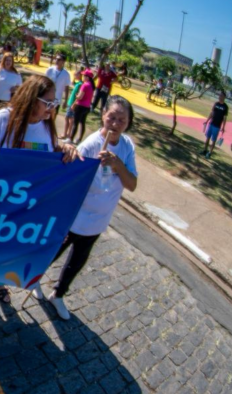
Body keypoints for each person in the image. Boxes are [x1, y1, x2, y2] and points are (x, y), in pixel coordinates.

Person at [0, 75, 82, 304]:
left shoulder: (47, 126)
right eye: (48, 102)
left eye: (54, 103)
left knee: (4, 248)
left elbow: (51, 151)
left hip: (24, 206)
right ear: (32, 99)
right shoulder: (4, 118)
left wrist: (65, 147)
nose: (52, 108)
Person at [32, 96, 137, 320]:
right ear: (102, 115)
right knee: (53, 252)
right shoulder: (90, 145)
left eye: (122, 120)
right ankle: (34, 279)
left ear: (128, 123)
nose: (115, 124)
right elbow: (70, 177)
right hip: (76, 217)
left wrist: (118, 164)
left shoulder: (127, 146)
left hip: (99, 220)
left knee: (77, 261)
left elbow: (132, 185)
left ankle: (58, 294)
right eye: (111, 118)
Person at [70, 69, 95, 144]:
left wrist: (76, 95)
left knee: (75, 123)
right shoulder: (91, 85)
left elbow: (80, 97)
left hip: (80, 106)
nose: (83, 77)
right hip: (87, 107)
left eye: (84, 76)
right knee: (82, 122)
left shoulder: (85, 85)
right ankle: (79, 139)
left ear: (87, 77)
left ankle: (70, 139)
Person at [202, 92, 228, 159]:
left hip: (217, 126)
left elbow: (225, 118)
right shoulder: (216, 104)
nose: (220, 97)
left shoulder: (225, 107)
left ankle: (209, 153)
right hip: (211, 123)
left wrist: (223, 127)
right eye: (219, 95)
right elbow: (212, 113)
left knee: (213, 140)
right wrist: (207, 121)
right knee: (207, 137)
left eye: (221, 96)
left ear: (224, 97)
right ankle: (205, 150)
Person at [62, 69, 84, 141]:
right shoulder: (78, 83)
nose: (75, 75)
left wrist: (74, 104)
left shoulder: (80, 84)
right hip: (70, 102)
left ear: (80, 75)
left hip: (72, 103)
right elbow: (72, 83)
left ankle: (67, 134)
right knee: (68, 118)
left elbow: (78, 96)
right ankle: (66, 133)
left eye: (76, 74)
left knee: (70, 119)